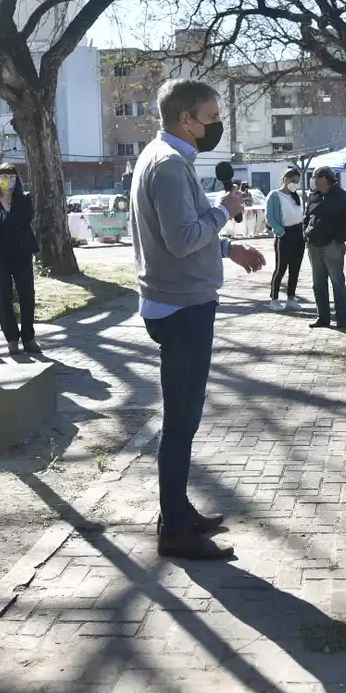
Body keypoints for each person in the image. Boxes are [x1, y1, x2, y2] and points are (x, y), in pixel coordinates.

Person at [129, 79, 265, 560]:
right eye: (210, 117)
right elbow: (184, 239)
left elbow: (183, 233)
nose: (215, 126)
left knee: (183, 421)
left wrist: (229, 249)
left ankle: (178, 512)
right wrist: (225, 213)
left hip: (180, 300)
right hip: (181, 308)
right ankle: (173, 531)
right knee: (181, 423)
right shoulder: (167, 166)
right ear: (185, 118)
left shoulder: (164, 159)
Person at [0, 163, 40, 356]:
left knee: (27, 295)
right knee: (3, 297)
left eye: (12, 177)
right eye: (4, 177)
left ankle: (28, 337)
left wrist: (1, 215)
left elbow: (21, 222)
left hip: (21, 253)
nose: (8, 181)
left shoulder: (24, 200)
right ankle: (11, 338)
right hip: (0, 256)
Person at [302, 165, 346, 329]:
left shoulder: (343, 197)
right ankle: (323, 317)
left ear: (325, 179)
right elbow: (306, 216)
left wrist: (337, 239)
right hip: (313, 246)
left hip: (332, 247)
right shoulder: (314, 195)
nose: (314, 183)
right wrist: (305, 234)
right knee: (318, 283)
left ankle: (341, 319)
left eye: (316, 179)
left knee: (337, 282)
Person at [264, 166, 306, 312]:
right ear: (285, 179)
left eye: (297, 181)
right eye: (293, 180)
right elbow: (269, 216)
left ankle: (291, 297)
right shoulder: (274, 195)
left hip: (298, 233)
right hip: (284, 234)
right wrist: (280, 232)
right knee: (281, 268)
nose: (295, 183)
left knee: (295, 267)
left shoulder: (296, 197)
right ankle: (274, 299)